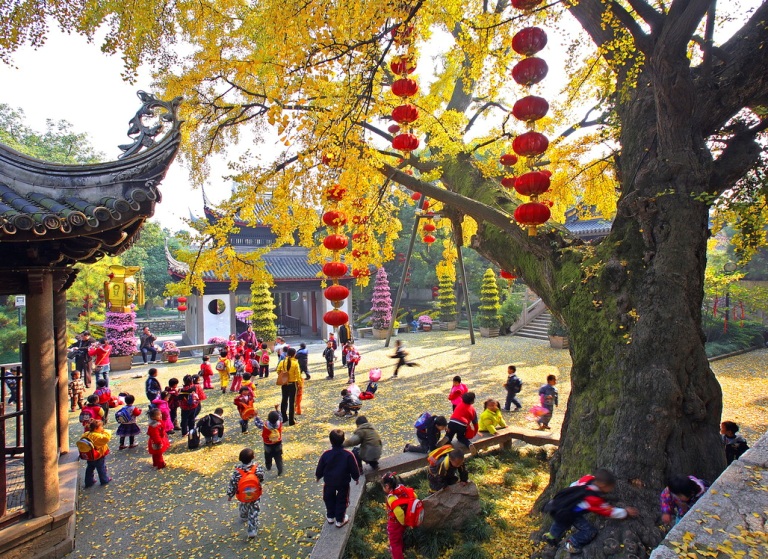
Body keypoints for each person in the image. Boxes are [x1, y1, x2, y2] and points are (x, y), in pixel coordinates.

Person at [542, 469, 639, 554]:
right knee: (590, 531)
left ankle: (551, 536)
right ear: (603, 485)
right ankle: (573, 543)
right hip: (573, 514)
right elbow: (608, 511)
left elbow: (573, 485)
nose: (611, 489)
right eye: (610, 487)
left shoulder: (587, 478)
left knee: (561, 522)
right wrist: (625, 512)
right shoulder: (592, 498)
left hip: (562, 506)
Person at [315, 429, 360, 528]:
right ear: (343, 440)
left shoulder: (326, 454)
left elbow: (320, 466)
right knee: (342, 500)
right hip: (343, 482)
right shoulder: (348, 455)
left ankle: (330, 516)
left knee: (328, 497)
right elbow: (354, 467)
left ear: (330, 441)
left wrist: (318, 476)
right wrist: (356, 477)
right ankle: (340, 520)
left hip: (329, 482)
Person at [227, 448, 265, 539]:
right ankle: (252, 530)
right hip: (255, 493)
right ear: (253, 457)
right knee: (254, 510)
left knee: (243, 504)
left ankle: (243, 515)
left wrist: (230, 494)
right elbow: (261, 476)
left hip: (243, 494)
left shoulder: (237, 471)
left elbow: (233, 483)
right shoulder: (257, 467)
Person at [381, 472, 409, 559]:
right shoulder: (402, 488)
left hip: (395, 523)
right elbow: (413, 495)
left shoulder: (392, 498)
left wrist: (403, 522)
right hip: (405, 519)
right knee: (399, 538)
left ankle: (397, 554)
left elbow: (399, 512)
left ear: (387, 486)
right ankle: (400, 549)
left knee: (394, 543)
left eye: (382, 487)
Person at [79, 419, 112, 487]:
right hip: (98, 455)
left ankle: (89, 481)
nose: (102, 428)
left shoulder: (86, 434)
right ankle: (104, 479)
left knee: (90, 468)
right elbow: (106, 438)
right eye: (101, 427)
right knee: (101, 468)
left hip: (89, 455)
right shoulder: (97, 436)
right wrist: (105, 431)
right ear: (96, 428)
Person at [277, 347, 301, 426]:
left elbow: (278, 371)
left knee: (284, 400)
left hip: (284, 384)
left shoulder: (282, 362)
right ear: (294, 354)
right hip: (292, 384)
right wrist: (300, 384)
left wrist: (284, 376)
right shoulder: (295, 363)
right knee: (292, 402)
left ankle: (284, 418)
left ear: (287, 354)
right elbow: (298, 375)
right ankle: (291, 420)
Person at [257, 409, 284, 476]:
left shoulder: (265, 426)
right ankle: (280, 468)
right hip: (278, 443)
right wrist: (277, 409)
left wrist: (256, 417)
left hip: (268, 444)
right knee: (278, 457)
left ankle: (268, 466)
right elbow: (281, 416)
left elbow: (258, 424)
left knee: (267, 456)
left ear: (268, 419)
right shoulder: (280, 423)